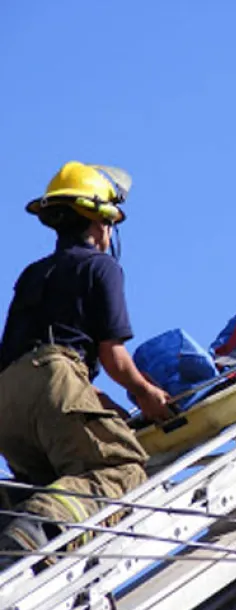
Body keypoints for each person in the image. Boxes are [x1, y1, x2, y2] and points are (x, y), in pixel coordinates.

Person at [0, 161, 171, 566]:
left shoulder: (32, 273)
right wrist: (145, 394)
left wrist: (96, 403)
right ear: (100, 220)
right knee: (121, 472)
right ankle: (32, 533)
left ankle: (12, 520)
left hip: (6, 399)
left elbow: (29, 351)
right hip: (55, 381)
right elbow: (111, 355)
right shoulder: (101, 266)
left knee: (52, 483)